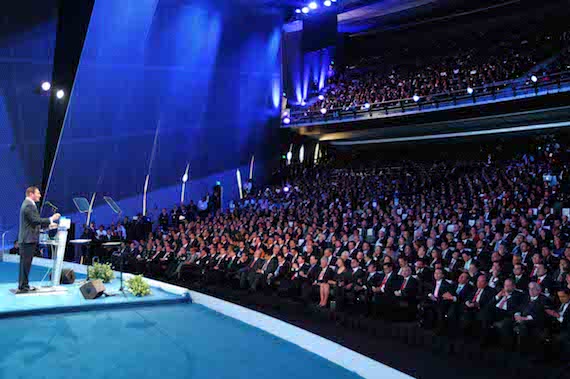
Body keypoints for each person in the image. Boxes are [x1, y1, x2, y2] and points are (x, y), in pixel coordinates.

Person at [18, 186, 60, 292]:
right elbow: (35, 220)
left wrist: (48, 227)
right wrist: (51, 219)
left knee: (26, 264)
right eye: (38, 193)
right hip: (27, 240)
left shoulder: (29, 204)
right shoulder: (28, 205)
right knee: (25, 264)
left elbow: (32, 223)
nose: (40, 195)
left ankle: (24, 285)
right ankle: (23, 286)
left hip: (28, 239)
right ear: (31, 194)